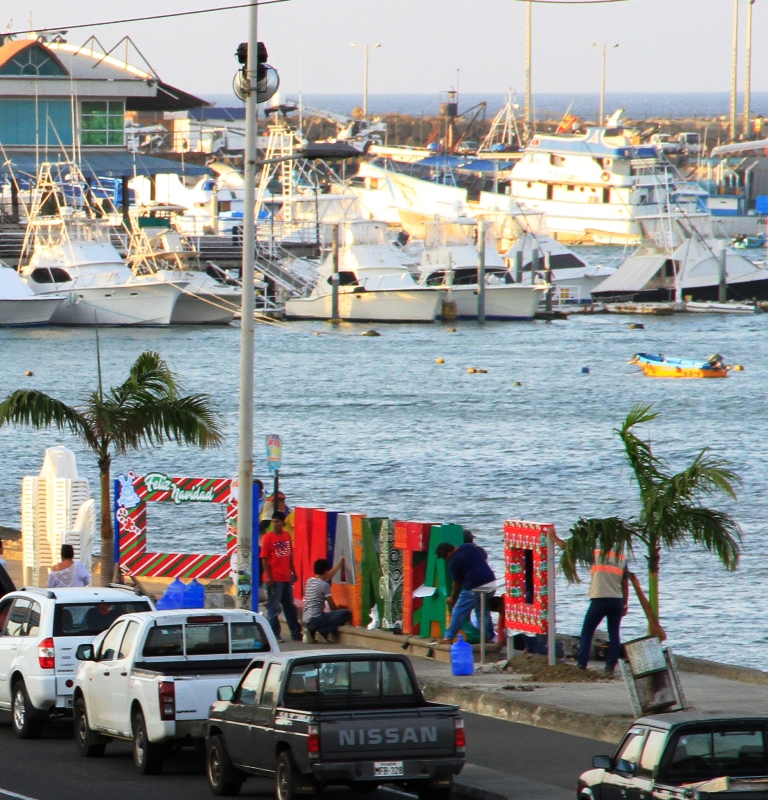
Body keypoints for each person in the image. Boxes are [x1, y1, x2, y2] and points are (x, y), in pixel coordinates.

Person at [577, 546, 629, 675]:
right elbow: (625, 584)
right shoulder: (621, 558)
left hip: (599, 599)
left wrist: (554, 538)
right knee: (614, 634)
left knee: (587, 632)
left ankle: (582, 664)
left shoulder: (596, 554)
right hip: (616, 600)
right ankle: (610, 665)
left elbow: (574, 550)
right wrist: (625, 604)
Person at [436, 541, 496, 644]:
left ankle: (448, 637)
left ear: (449, 553)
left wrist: (453, 598)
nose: (446, 560)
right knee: (482, 611)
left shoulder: (454, 562)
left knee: (459, 611)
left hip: (473, 586)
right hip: (491, 582)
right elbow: (483, 555)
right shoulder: (469, 547)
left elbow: (456, 583)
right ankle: (486, 636)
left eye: (444, 558)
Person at [259, 511, 302, 642]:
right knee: (273, 607)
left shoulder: (286, 535)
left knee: (289, 606)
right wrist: (269, 577)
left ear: (283, 522)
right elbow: (264, 558)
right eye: (273, 521)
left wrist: (293, 572)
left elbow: (290, 555)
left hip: (286, 578)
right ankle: (274, 634)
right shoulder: (268, 538)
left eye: (277, 521)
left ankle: (296, 633)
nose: (275, 524)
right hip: (274, 578)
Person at [302, 557, 351, 643]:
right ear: (325, 571)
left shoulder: (309, 581)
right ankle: (323, 632)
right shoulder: (324, 585)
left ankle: (310, 631)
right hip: (316, 620)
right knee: (346, 613)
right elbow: (332, 605)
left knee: (322, 615)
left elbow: (327, 577)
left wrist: (339, 564)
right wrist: (338, 613)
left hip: (306, 620)